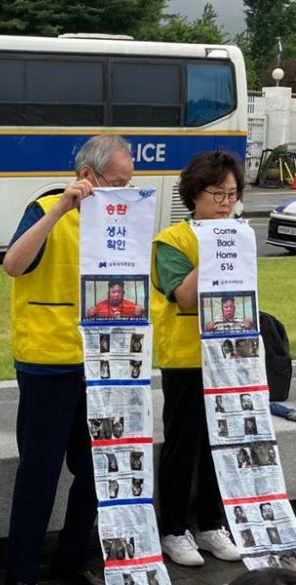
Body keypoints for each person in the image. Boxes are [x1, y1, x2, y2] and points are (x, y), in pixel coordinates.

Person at [3, 134, 134, 585]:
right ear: (86, 176)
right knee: (39, 473)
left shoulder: (121, 217)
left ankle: (73, 559)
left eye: (127, 183)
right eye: (116, 182)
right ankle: (21, 573)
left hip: (102, 363)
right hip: (48, 361)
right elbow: (13, 265)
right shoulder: (44, 210)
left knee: (98, 470)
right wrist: (61, 210)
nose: (123, 191)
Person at [151, 150, 244, 567]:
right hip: (186, 357)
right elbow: (183, 294)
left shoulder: (240, 234)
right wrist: (216, 244)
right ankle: (172, 529)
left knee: (220, 442)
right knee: (182, 444)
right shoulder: (171, 241)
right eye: (217, 193)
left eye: (232, 194)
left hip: (228, 353)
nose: (226, 203)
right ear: (194, 194)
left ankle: (211, 523)